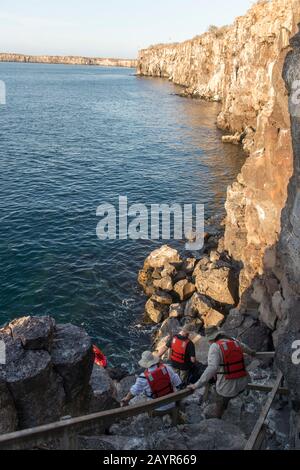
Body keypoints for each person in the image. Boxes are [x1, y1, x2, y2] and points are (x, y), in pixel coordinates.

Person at [188, 326, 256, 419]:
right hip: (243, 382)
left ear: (211, 338)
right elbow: (246, 348)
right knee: (228, 395)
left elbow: (212, 368)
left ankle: (217, 419)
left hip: (227, 388)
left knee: (219, 400)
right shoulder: (233, 341)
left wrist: (196, 385)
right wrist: (252, 353)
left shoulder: (215, 347)